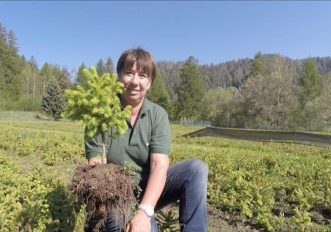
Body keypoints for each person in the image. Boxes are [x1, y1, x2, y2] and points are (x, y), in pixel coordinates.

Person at [85, 48, 208, 232]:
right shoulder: (101, 112)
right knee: (119, 223)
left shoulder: (157, 115)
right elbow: (95, 164)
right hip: (117, 192)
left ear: (149, 83)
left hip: (150, 187)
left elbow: (159, 166)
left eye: (143, 75)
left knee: (196, 170)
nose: (135, 82)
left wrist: (144, 211)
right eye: (129, 73)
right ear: (119, 77)